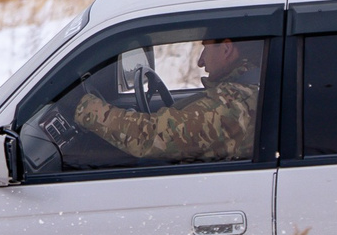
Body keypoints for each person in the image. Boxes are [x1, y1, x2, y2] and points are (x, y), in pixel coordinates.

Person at [68, 38, 261, 164]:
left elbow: (151, 137)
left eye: (206, 50)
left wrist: (82, 105)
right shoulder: (244, 92)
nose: (200, 62)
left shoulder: (232, 105)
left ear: (226, 49)